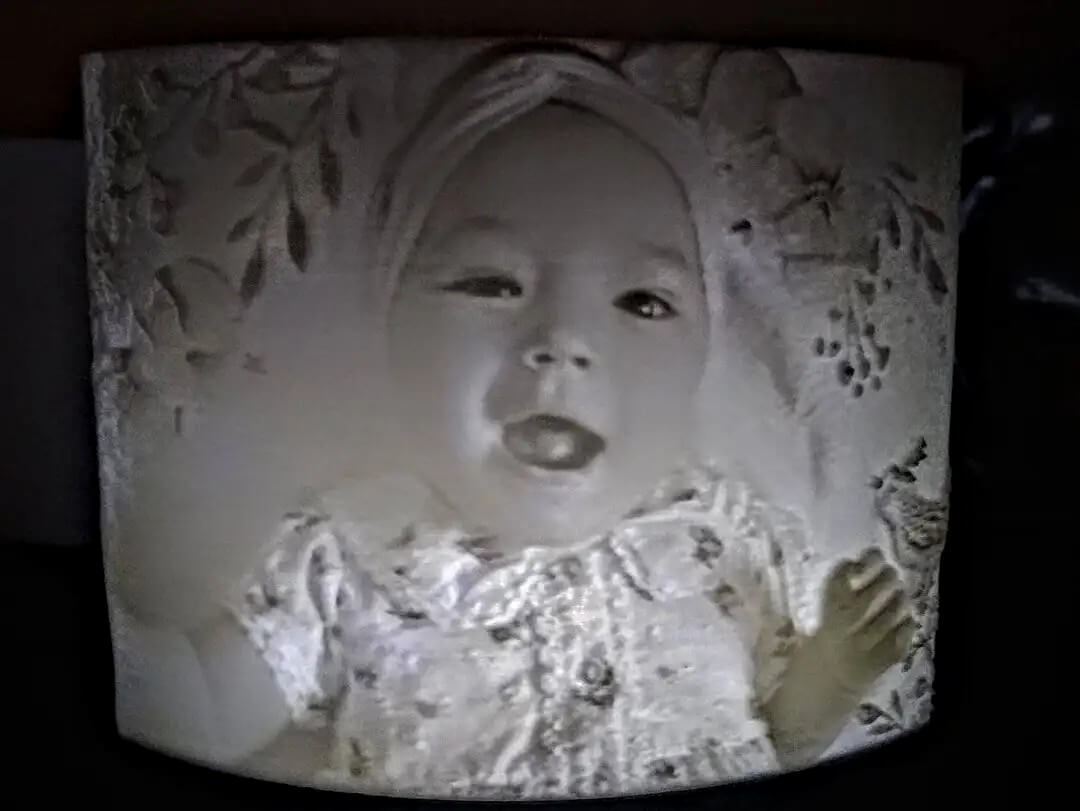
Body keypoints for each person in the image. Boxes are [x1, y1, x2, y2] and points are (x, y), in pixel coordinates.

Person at [117, 46, 915, 798]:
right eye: (492, 284)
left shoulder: (728, 537)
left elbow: (785, 737)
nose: (562, 339)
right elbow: (205, 712)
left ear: (700, 362)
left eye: (642, 301)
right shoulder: (351, 553)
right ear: (389, 332)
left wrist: (834, 671)